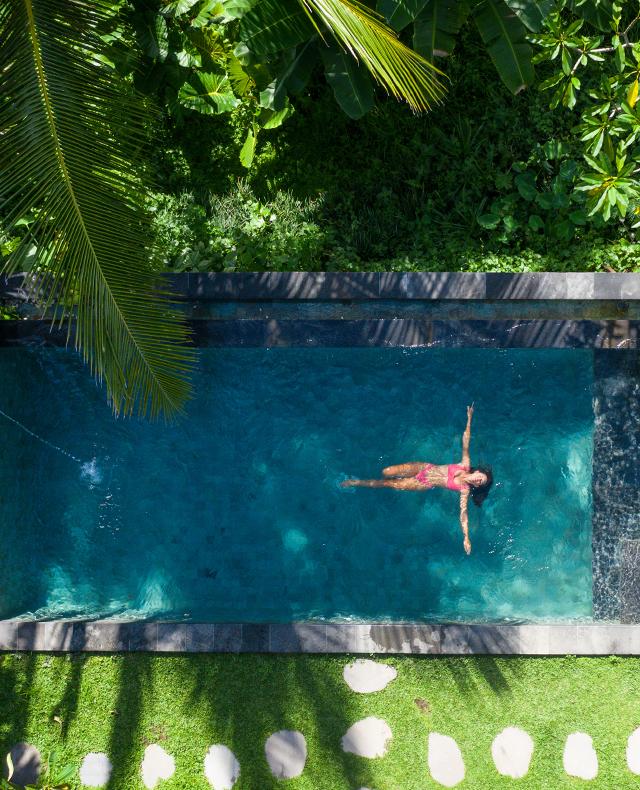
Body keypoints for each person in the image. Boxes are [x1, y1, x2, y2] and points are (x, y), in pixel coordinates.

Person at [341, 405, 493, 555]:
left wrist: (466, 537)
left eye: (482, 483)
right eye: (481, 477)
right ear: (478, 471)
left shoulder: (465, 490)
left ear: (477, 486)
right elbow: (465, 441)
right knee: (386, 471)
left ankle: (356, 482)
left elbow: (463, 512)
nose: (480, 480)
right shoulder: (464, 465)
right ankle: (367, 475)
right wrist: (469, 419)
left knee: (387, 483)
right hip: (424, 468)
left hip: (423, 483)